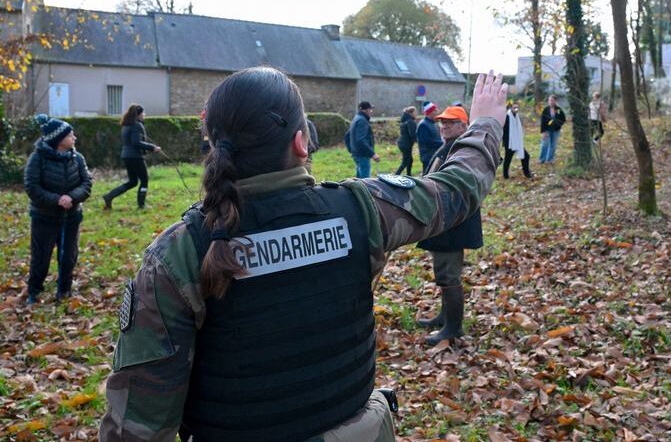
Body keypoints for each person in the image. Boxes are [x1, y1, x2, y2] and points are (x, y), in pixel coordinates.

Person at [99, 66, 507, 442]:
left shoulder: (179, 254)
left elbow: (138, 426)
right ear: (300, 141)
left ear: (213, 142)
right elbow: (456, 190)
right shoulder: (361, 211)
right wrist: (486, 123)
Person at [415, 106, 484, 346]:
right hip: (442, 220)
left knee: (449, 273)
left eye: (451, 123)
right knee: (442, 270)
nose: (444, 126)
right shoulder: (449, 147)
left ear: (464, 126)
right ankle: (444, 316)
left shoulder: (463, 150)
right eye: (442, 122)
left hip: (453, 222)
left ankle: (453, 328)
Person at [23, 114, 92, 304]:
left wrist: (72, 197)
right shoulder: (37, 159)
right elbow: (32, 187)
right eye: (71, 135)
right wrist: (57, 199)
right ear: (59, 139)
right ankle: (34, 292)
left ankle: (64, 290)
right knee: (41, 257)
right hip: (44, 217)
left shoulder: (77, 158)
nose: (74, 138)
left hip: (71, 217)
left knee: (68, 256)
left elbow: (87, 183)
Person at [102, 104, 161, 209]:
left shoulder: (126, 125)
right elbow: (136, 143)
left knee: (133, 182)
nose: (144, 114)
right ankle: (141, 205)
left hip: (126, 156)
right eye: (143, 113)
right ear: (138, 114)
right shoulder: (137, 125)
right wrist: (153, 147)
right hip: (135, 157)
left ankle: (109, 196)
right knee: (144, 180)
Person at [346, 101, 379, 178]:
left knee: (359, 181)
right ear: (366, 110)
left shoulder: (356, 118)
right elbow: (361, 139)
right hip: (363, 154)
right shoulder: (362, 121)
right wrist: (372, 153)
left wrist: (352, 150)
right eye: (370, 109)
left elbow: (347, 136)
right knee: (365, 181)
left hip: (357, 154)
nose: (371, 112)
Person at [502, 101, 532, 179]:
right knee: (508, 159)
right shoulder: (507, 116)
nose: (516, 109)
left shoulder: (517, 116)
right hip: (510, 142)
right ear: (511, 108)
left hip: (517, 141)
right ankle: (505, 175)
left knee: (526, 156)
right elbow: (502, 130)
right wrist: (505, 141)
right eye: (514, 107)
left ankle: (527, 173)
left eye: (517, 107)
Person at [538, 95, 566, 164]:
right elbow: (543, 121)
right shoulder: (546, 110)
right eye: (549, 100)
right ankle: (542, 159)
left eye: (552, 100)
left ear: (555, 101)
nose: (550, 102)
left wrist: (558, 125)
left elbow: (563, 119)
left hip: (555, 130)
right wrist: (543, 131)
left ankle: (550, 159)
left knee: (553, 145)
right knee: (545, 144)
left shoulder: (558, 109)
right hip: (547, 130)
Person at [417, 101, 443, 173]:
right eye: (435, 110)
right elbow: (428, 142)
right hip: (428, 157)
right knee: (427, 177)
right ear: (430, 112)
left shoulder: (433, 123)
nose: (437, 112)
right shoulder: (423, 125)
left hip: (435, 155)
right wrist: (444, 144)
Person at [394, 106, 417, 176]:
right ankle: (395, 176)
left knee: (409, 160)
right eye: (415, 112)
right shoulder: (410, 122)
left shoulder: (405, 120)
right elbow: (412, 134)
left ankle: (408, 175)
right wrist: (418, 141)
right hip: (406, 144)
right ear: (411, 113)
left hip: (402, 143)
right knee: (406, 161)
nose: (416, 114)